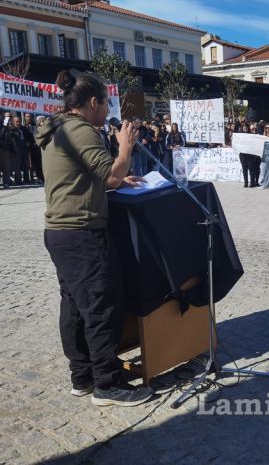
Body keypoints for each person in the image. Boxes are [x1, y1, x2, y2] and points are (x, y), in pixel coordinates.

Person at [36, 70, 152, 407]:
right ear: (93, 103)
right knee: (101, 307)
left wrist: (114, 177)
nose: (107, 110)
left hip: (60, 232)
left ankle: (83, 376)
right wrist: (125, 148)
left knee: (74, 306)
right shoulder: (82, 131)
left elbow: (84, 177)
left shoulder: (57, 128)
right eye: (106, 103)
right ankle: (107, 384)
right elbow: (111, 175)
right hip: (82, 233)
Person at [0, 117, 15, 188]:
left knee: (5, 167)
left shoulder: (4, 127)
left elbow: (7, 138)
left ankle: (6, 182)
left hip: (3, 149)